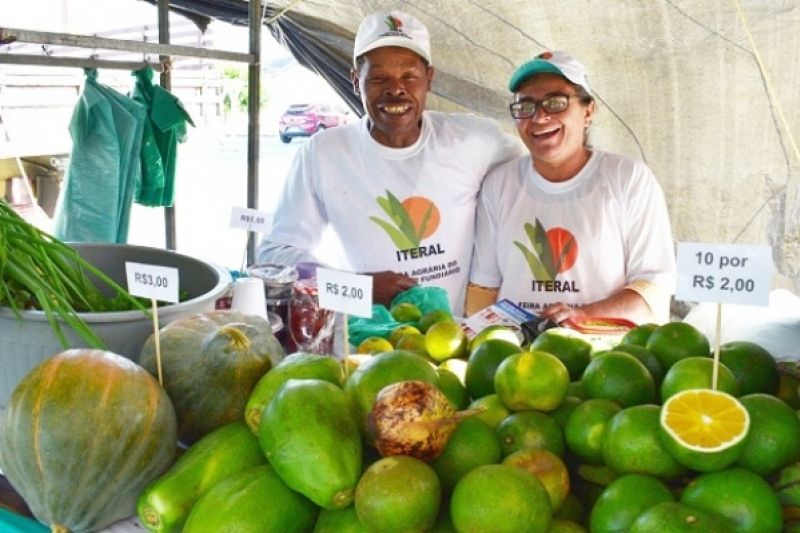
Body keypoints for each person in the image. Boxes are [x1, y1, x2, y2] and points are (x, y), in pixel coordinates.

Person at [257, 10, 523, 315]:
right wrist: (359, 287)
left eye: (409, 76)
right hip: (370, 341)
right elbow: (274, 255)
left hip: (453, 343)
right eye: (379, 78)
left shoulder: (475, 140)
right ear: (356, 81)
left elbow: (532, 180)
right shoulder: (324, 154)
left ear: (430, 79)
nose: (396, 89)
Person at [466, 51, 676, 324]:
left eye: (556, 102)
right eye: (526, 106)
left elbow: (654, 289)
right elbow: (483, 290)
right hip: (516, 358)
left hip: (604, 358)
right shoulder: (499, 185)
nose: (539, 117)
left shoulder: (628, 179)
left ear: (588, 111)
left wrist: (582, 315)